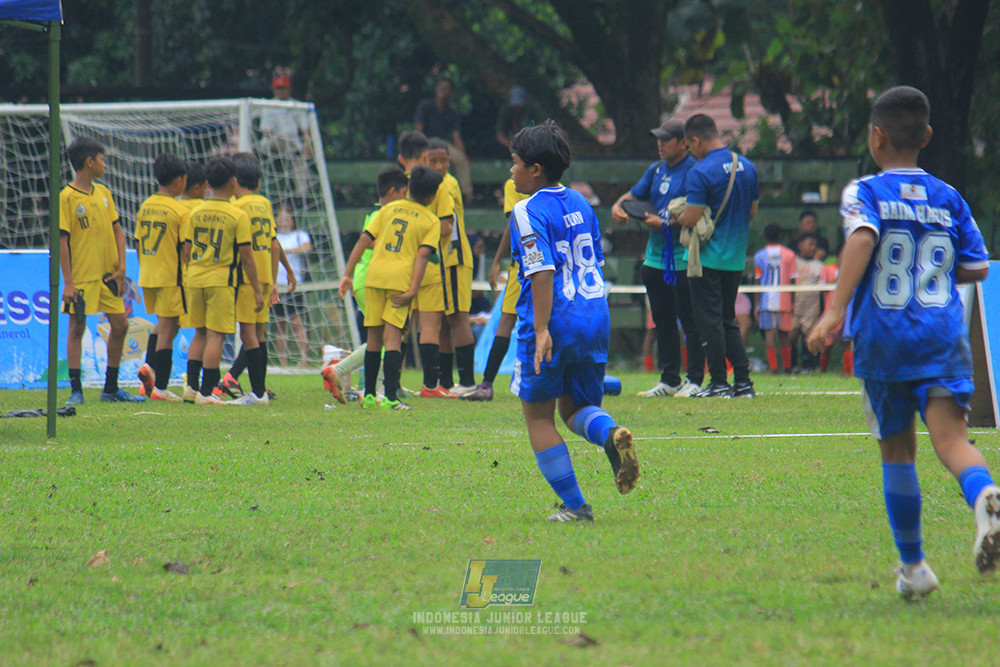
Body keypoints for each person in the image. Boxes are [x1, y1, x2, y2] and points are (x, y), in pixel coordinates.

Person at [807, 85, 1000, 598]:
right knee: (953, 442)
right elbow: (977, 265)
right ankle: (986, 497)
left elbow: (864, 237)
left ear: (876, 136)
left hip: (886, 340)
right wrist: (932, 270)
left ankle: (914, 568)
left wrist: (833, 310)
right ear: (927, 136)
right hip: (942, 336)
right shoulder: (948, 196)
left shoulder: (864, 192)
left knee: (897, 451)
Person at [508, 121, 638, 523]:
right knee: (577, 407)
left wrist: (543, 329)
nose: (510, 170)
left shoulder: (526, 209)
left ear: (535, 169)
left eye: (514, 163)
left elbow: (542, 271)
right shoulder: (581, 201)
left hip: (554, 319)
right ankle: (611, 433)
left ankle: (575, 507)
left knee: (539, 417)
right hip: (594, 314)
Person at [338, 166, 443, 411]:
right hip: (399, 282)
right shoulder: (431, 220)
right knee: (393, 337)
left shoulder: (387, 209)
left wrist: (347, 274)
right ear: (432, 195)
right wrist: (412, 291)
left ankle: (369, 395)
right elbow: (422, 257)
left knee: (374, 337)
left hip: (374, 277)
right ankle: (391, 398)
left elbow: (364, 240)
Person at [611, 118, 701, 398]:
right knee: (662, 321)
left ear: (683, 142)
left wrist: (663, 224)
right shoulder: (656, 170)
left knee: (690, 321)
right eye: (658, 139)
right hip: (655, 258)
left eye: (666, 139)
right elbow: (631, 195)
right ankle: (670, 379)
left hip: (684, 258)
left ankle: (696, 380)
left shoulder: (695, 172)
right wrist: (618, 207)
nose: (660, 145)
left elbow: (696, 214)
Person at [672, 114, 759, 398]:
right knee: (727, 319)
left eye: (689, 145)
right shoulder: (747, 166)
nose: (690, 151)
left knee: (708, 323)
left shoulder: (700, 172)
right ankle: (744, 382)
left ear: (695, 140)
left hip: (707, 259)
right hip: (735, 258)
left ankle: (719, 382)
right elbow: (752, 212)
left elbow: (692, 217)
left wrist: (676, 214)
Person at [59, 137, 145, 405]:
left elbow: (117, 230)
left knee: (120, 325)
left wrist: (121, 266)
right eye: (102, 159)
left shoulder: (104, 193)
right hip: (83, 277)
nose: (105, 164)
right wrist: (68, 282)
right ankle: (76, 390)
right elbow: (62, 240)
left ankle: (110, 388)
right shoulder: (67, 197)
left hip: (108, 276)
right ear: (89, 162)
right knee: (77, 328)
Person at [323, 167, 410, 402]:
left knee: (385, 337)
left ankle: (371, 386)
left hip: (370, 278)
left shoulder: (378, 212)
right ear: (393, 192)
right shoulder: (384, 214)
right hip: (372, 279)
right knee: (384, 338)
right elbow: (366, 241)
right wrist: (348, 275)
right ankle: (343, 374)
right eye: (404, 193)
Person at [182, 157, 264, 405]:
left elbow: (186, 249)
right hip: (221, 280)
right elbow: (247, 258)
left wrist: (195, 269)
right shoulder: (236, 215)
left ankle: (191, 388)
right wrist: (258, 291)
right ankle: (207, 393)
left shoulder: (195, 211)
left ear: (206, 183)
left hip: (195, 278)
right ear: (233, 182)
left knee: (200, 333)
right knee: (216, 336)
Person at [395, 131, 457, 399]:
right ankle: (431, 386)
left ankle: (393, 383)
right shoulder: (438, 184)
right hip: (430, 264)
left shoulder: (396, 185)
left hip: (401, 264)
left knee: (398, 326)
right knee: (430, 325)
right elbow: (446, 226)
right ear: (426, 157)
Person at [220, 153, 281, 406]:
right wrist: (278, 277)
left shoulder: (235, 206)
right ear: (258, 182)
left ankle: (256, 394)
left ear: (234, 181)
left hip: (247, 276)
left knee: (248, 335)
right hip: (266, 273)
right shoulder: (264, 203)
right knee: (260, 333)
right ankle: (259, 390)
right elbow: (274, 243)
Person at [461, 178, 528, 401]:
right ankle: (488, 383)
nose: (512, 169)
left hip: (525, 265)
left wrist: (497, 260)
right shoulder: (559, 190)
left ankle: (487, 385)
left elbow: (513, 225)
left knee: (508, 321)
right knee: (513, 320)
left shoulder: (515, 184)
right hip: (540, 265)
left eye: (516, 162)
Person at [135, 153, 190, 401]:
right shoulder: (179, 210)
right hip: (171, 276)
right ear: (179, 180)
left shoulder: (145, 206)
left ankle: (149, 368)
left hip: (148, 273)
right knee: (168, 328)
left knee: (165, 324)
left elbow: (137, 243)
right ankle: (161, 387)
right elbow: (186, 250)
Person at [428, 138, 477, 394]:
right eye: (433, 161)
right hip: (443, 260)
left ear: (450, 161)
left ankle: (467, 382)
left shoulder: (447, 184)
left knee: (458, 318)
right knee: (446, 320)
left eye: (443, 161)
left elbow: (446, 226)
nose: (439, 165)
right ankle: (446, 382)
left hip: (454, 258)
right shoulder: (435, 183)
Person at [260, 72, 312, 207]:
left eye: (284, 88)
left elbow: (305, 130)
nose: (281, 91)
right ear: (274, 90)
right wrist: (286, 141)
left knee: (300, 161)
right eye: (279, 88)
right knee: (272, 145)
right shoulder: (268, 105)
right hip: (274, 142)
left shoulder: (297, 105)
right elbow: (267, 132)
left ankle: (302, 196)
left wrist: (308, 146)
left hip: (292, 145)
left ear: (289, 89)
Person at [414, 78, 472, 200]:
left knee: (460, 160)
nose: (443, 91)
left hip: (442, 144)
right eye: (441, 87)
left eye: (447, 88)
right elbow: (418, 130)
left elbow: (456, 136)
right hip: (426, 141)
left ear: (451, 93)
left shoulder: (452, 113)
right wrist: (418, 148)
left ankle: (467, 194)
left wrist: (464, 155)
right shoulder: (425, 107)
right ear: (436, 89)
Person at [754, 224, 796, 374]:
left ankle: (773, 368)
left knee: (769, 335)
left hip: (766, 300)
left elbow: (757, 280)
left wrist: (756, 305)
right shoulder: (789, 255)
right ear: (781, 236)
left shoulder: (759, 256)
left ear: (765, 236)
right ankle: (787, 367)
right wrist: (793, 302)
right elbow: (793, 280)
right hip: (784, 298)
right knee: (784, 334)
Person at [272, 204, 308, 367]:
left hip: (293, 286)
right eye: (280, 219)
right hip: (277, 286)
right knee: (280, 324)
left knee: (296, 322)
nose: (283, 222)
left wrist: (287, 251)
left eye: (286, 219)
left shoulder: (300, 235)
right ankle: (282, 361)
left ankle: (304, 358)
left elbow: (306, 248)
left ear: (293, 221)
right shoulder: (273, 236)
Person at [789, 232, 823, 371]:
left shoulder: (818, 265)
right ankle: (791, 363)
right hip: (795, 303)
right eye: (810, 244)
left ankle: (809, 363)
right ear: (800, 245)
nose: (813, 248)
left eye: (815, 245)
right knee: (792, 332)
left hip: (811, 305)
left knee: (808, 333)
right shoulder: (794, 262)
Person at [495, 86, 542, 151]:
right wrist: (511, 146)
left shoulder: (533, 108)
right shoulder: (506, 110)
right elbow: (500, 134)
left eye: (519, 105)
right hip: (512, 140)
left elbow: (542, 129)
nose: (517, 108)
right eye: (515, 106)